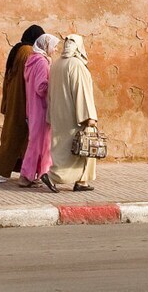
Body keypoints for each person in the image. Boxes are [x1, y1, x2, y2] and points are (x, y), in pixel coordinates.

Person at [0, 24, 45, 183]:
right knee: (16, 138)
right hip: (22, 102)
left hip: (14, 101)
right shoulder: (27, 52)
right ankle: (2, 172)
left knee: (12, 137)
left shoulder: (19, 50)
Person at [47, 33, 100, 192]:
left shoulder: (56, 64)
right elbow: (81, 92)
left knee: (60, 148)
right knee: (82, 148)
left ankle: (82, 181)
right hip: (74, 115)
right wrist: (89, 116)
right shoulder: (76, 65)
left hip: (58, 113)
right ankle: (52, 176)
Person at [18, 32, 59, 187]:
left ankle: (35, 174)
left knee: (37, 142)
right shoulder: (41, 62)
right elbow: (41, 87)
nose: (55, 50)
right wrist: (54, 84)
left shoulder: (32, 60)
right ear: (46, 46)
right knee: (38, 143)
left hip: (33, 108)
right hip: (41, 108)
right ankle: (27, 175)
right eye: (54, 46)